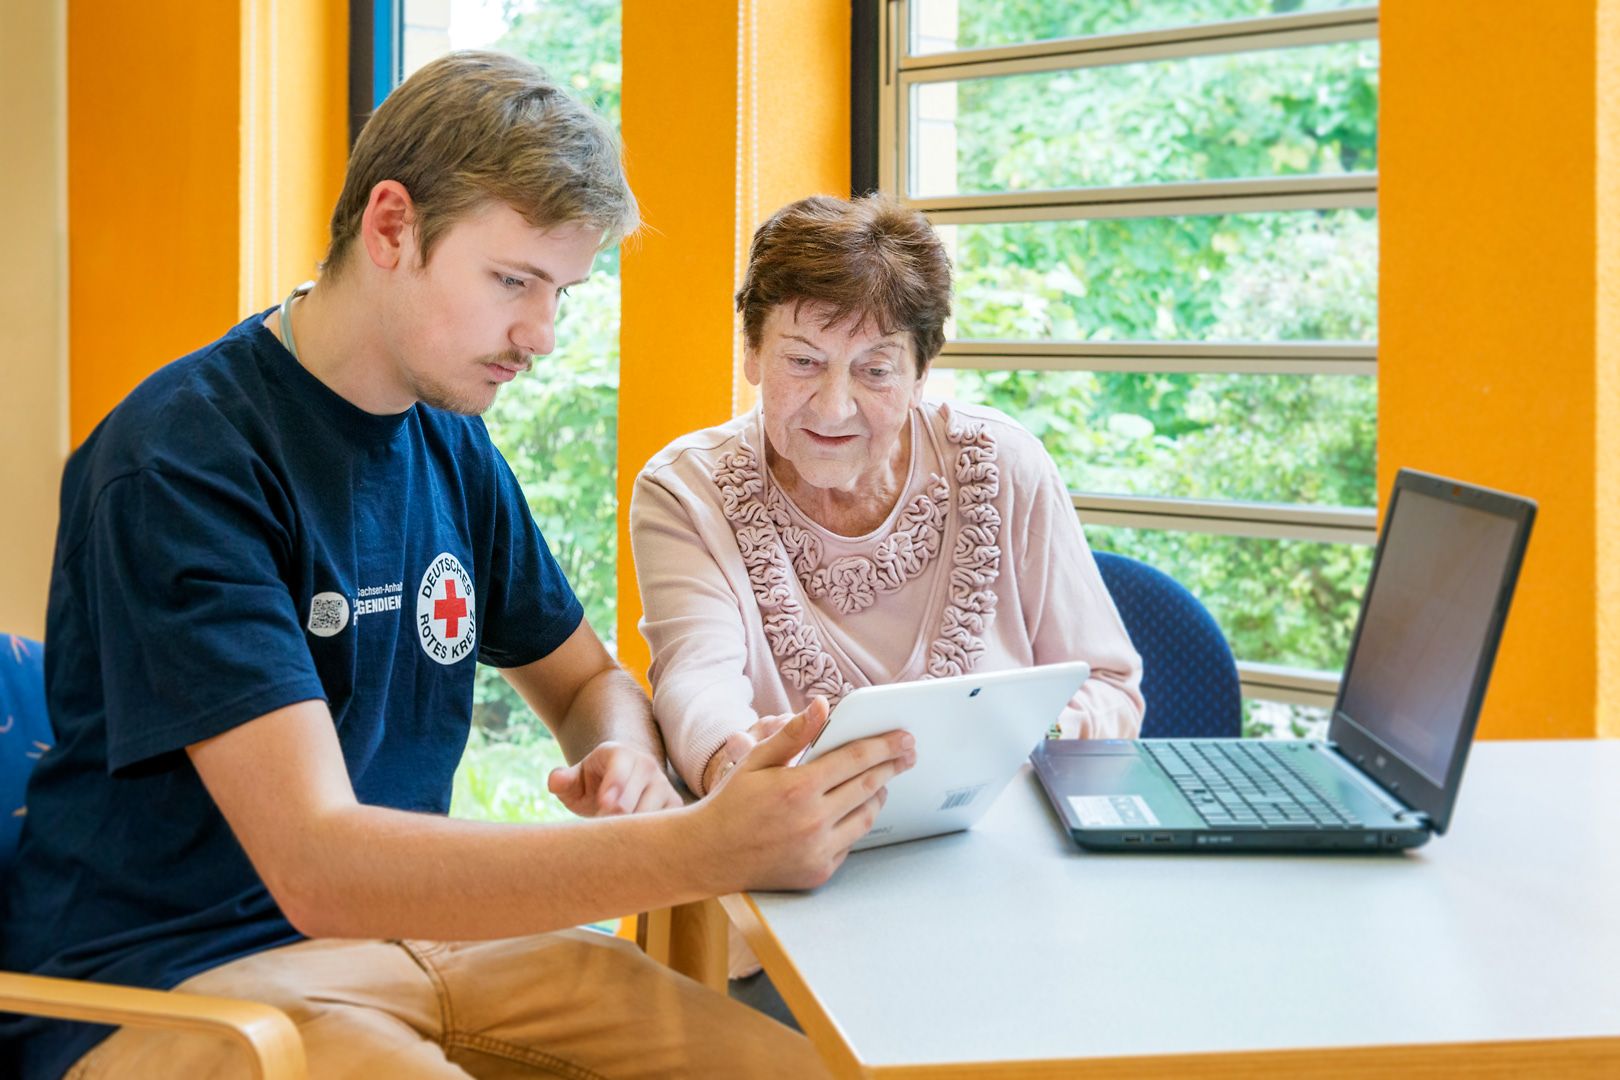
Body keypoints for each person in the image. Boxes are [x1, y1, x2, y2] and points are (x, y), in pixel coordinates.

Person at [0, 52, 912, 1080]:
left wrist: (624, 754)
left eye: (559, 291)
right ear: (391, 226)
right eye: (513, 282)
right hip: (165, 988)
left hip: (402, 946)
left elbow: (587, 681)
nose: (542, 335)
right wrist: (710, 845)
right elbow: (320, 867)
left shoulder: (447, 438)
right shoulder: (181, 460)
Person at [630, 194, 1145, 996]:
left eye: (875, 370)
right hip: (796, 909)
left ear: (921, 373)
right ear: (751, 355)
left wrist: (1008, 748)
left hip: (1006, 899)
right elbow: (695, 679)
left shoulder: (1004, 464)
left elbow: (1110, 687)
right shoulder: (686, 491)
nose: (834, 408)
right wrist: (743, 767)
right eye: (802, 361)